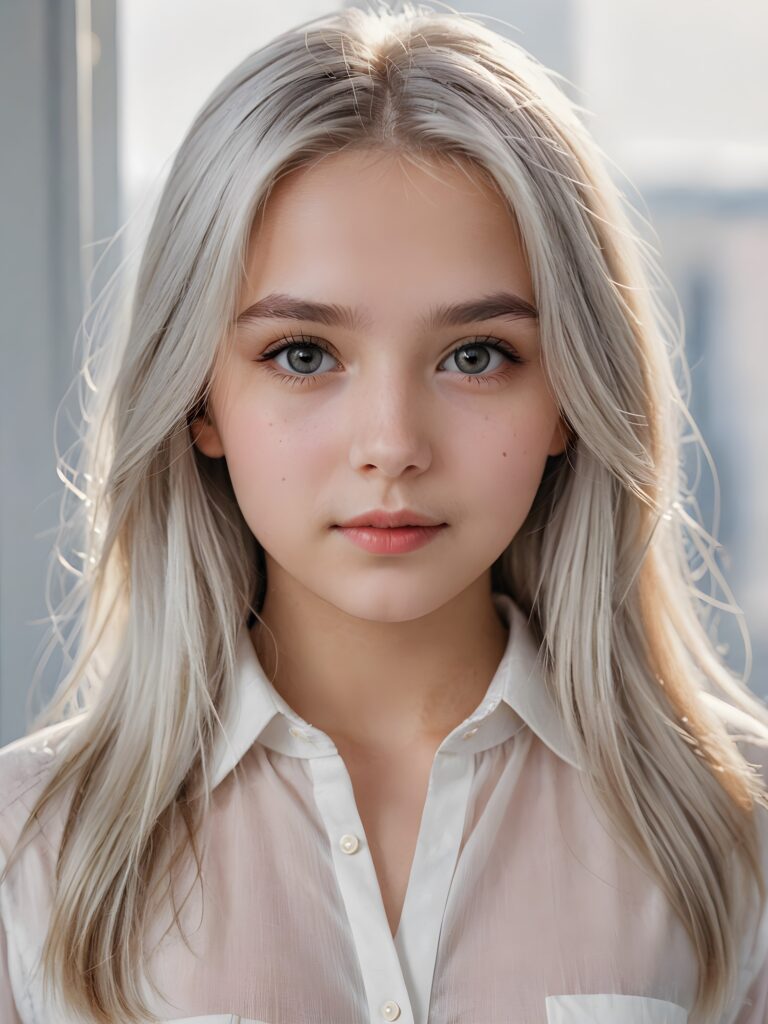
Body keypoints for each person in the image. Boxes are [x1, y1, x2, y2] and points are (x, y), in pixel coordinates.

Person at [1, 3, 767, 1022]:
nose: (393, 442)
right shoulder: (27, 848)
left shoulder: (739, 829)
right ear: (199, 401)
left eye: (476, 355)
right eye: (304, 355)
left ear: (570, 398)